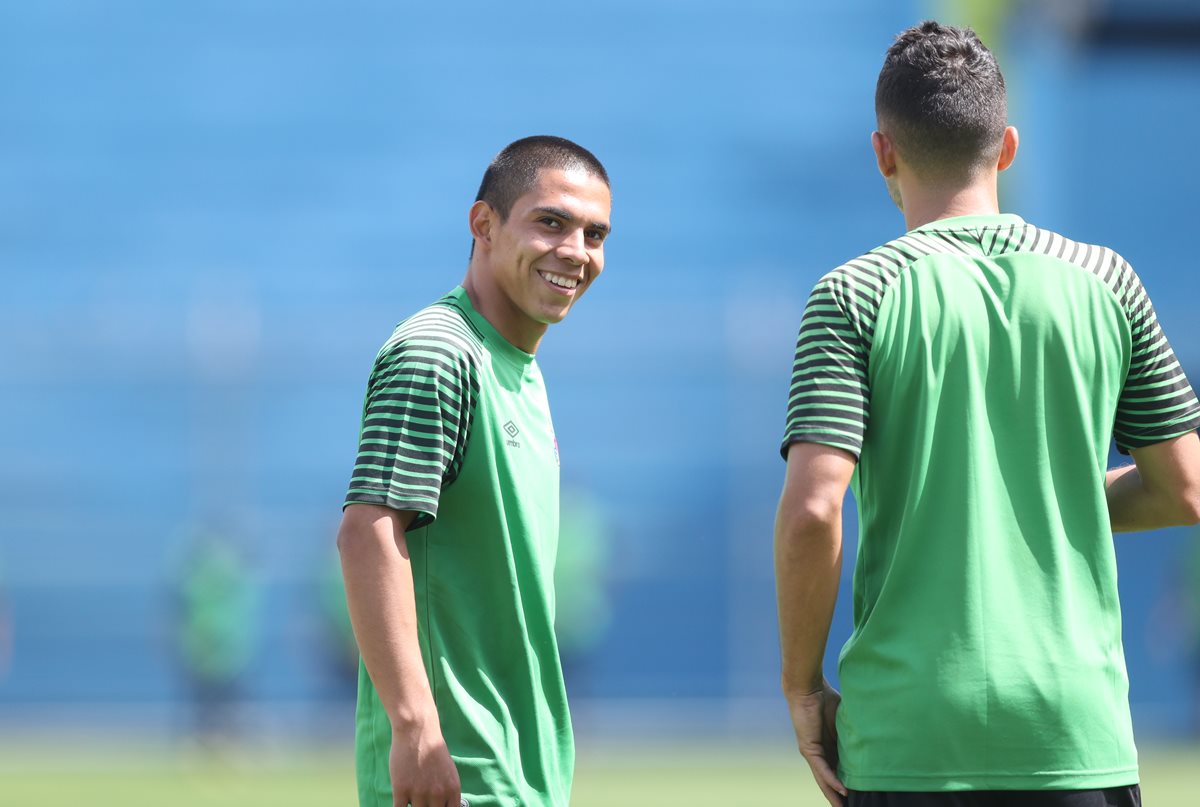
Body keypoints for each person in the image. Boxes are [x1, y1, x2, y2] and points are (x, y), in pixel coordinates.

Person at [774, 21, 1200, 807]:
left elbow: (813, 508)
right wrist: (1052, 495)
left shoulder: (851, 296)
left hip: (908, 737)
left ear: (883, 154)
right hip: (1076, 737)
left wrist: (801, 687)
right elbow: (1186, 489)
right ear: (1007, 147)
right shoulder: (1107, 279)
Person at [336, 135, 612, 807]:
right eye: (551, 221)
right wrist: (417, 728)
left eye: (595, 233)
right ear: (483, 224)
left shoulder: (518, 369)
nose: (576, 251)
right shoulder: (438, 352)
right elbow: (368, 532)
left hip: (518, 775)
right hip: (456, 773)